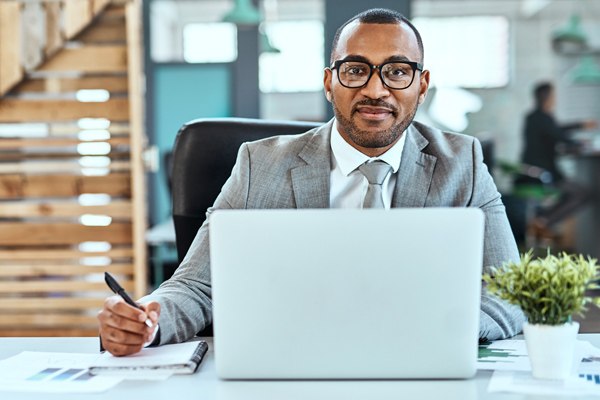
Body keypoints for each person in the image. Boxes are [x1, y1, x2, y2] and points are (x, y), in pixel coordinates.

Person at [98, 8, 525, 356]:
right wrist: (149, 318)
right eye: (356, 70)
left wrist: (431, 328)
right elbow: (197, 285)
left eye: (397, 71)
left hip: (417, 368)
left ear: (421, 84)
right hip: (287, 369)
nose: (376, 89)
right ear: (329, 82)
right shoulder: (258, 164)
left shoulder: (462, 163)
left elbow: (509, 295)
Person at [521, 81, 597, 237]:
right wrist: (581, 141)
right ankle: (543, 220)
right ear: (548, 98)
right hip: (543, 174)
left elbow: (555, 129)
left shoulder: (533, 117)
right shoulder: (542, 118)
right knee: (582, 193)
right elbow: (559, 135)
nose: (555, 99)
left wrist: (580, 125)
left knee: (575, 192)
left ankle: (542, 219)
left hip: (535, 171)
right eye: (554, 96)